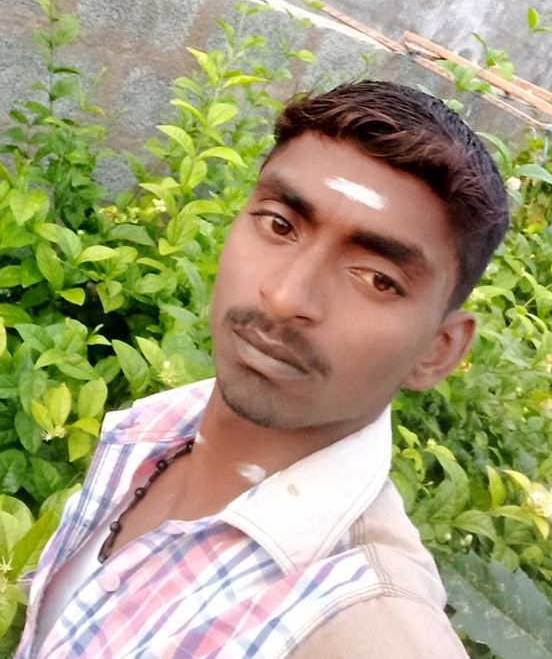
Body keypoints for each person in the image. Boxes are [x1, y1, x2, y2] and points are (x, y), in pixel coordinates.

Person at [16, 80, 509, 658]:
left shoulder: (367, 627)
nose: (284, 296)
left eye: (378, 279)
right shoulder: (151, 430)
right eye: (279, 225)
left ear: (438, 350)